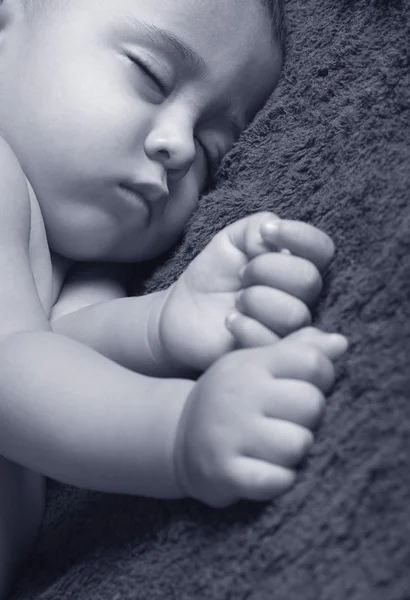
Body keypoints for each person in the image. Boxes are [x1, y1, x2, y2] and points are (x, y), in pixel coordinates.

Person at [0, 0, 348, 597]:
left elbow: (48, 353)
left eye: (210, 151)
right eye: (151, 74)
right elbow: (11, 372)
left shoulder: (77, 271)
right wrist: (176, 431)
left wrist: (159, 325)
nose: (179, 147)